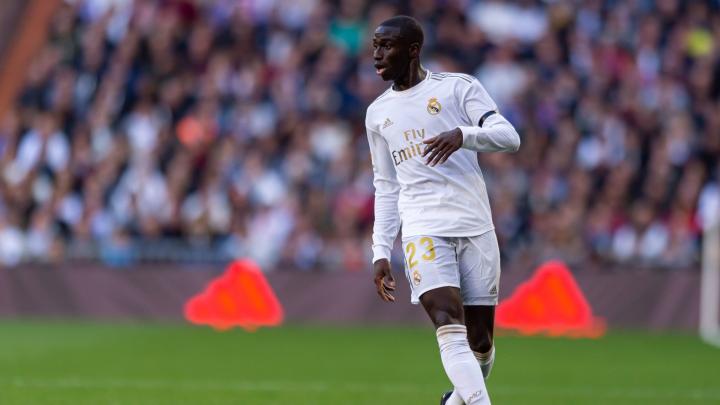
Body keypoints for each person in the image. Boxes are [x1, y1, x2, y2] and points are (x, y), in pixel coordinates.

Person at [365, 16, 520, 405]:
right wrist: (380, 250)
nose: (377, 54)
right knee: (448, 323)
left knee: (480, 342)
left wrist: (463, 135)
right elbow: (386, 186)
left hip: (474, 224)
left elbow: (510, 137)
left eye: (386, 46)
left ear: (413, 50)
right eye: (375, 46)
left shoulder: (458, 88)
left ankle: (454, 402)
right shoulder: (378, 114)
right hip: (422, 227)